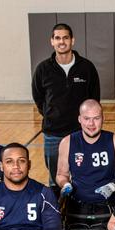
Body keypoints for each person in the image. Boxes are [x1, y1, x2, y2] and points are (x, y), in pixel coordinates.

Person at [32, 23, 101, 190]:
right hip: (53, 133)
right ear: (52, 41)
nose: (61, 41)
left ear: (72, 40)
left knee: (84, 173)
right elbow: (38, 97)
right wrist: (51, 114)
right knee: (56, 177)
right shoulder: (43, 69)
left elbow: (94, 100)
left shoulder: (87, 68)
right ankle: (57, 212)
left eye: (65, 38)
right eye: (57, 38)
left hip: (80, 133)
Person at [56, 99, 115, 214]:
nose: (91, 124)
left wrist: (113, 186)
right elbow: (61, 174)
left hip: (109, 204)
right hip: (77, 203)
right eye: (86, 118)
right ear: (79, 119)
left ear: (103, 118)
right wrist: (65, 184)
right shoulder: (67, 142)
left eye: (96, 118)